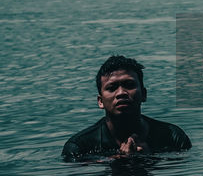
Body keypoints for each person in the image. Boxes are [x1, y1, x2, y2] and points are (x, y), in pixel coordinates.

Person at [62, 55, 191, 160]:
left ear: (144, 94)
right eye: (112, 88)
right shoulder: (79, 147)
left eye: (129, 85)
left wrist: (148, 158)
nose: (121, 93)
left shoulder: (173, 137)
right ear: (100, 101)